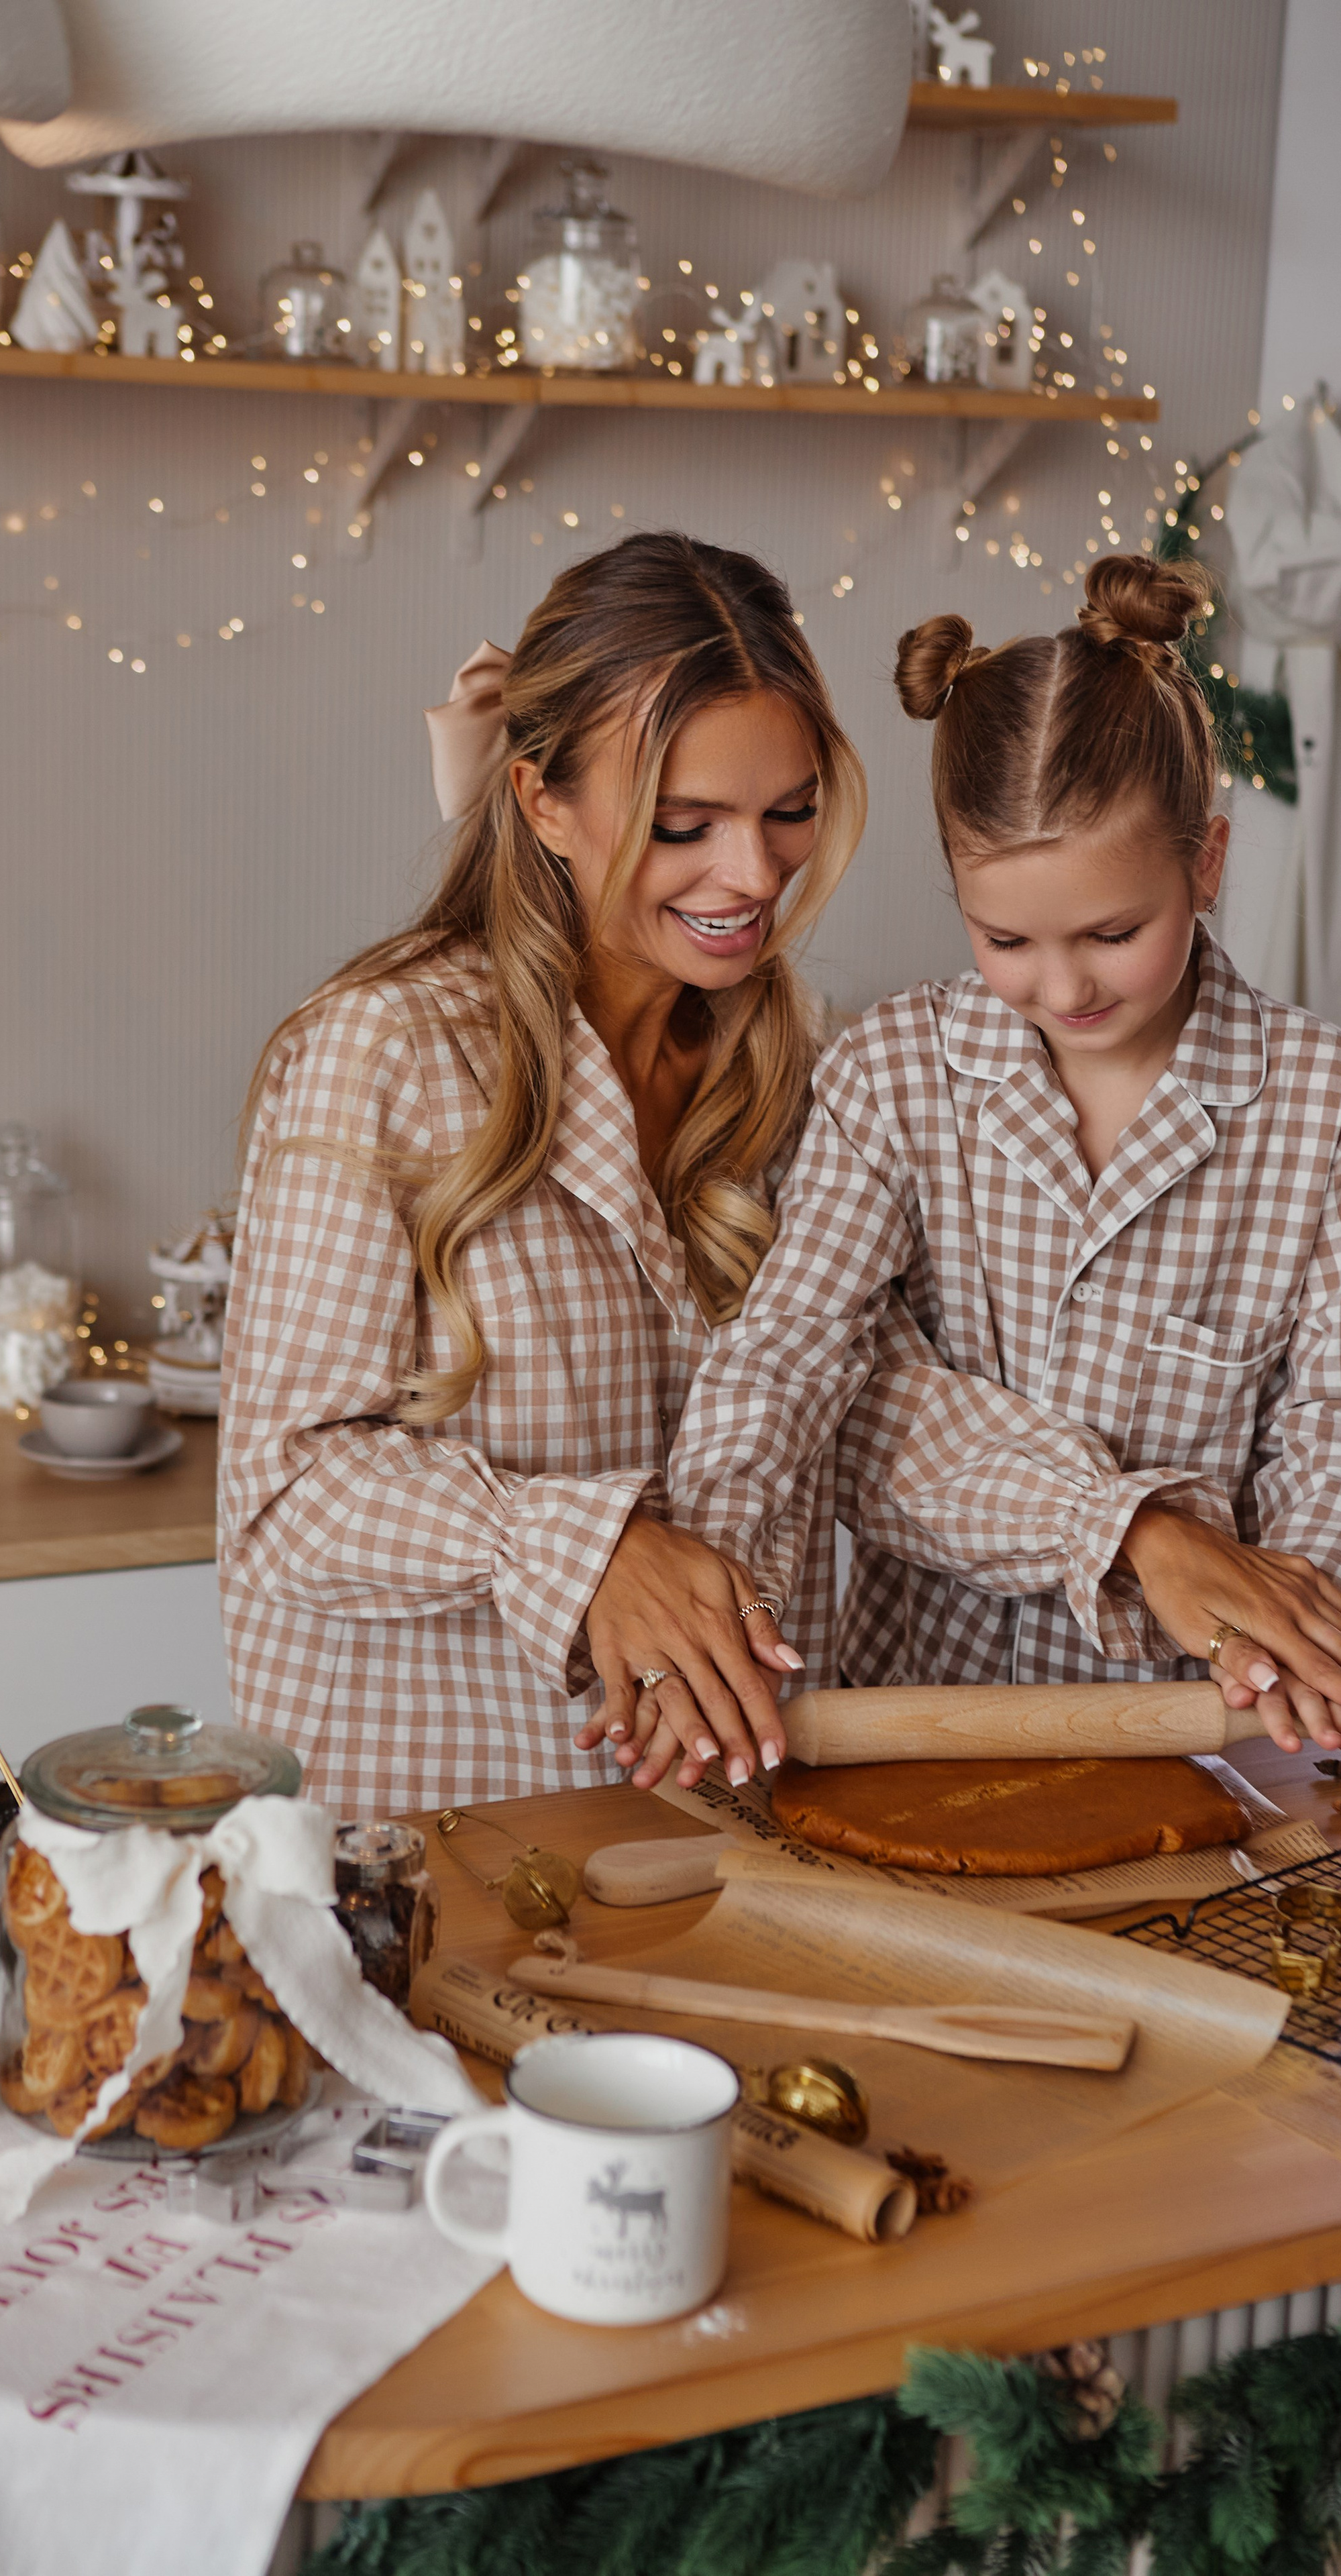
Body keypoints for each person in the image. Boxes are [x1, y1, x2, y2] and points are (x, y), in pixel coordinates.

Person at [625, 553, 1341, 1790]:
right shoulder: (893, 1073)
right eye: (1006, 939)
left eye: (1115, 935)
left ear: (1206, 862)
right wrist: (710, 1617)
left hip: (1194, 1752)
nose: (1064, 990)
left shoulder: (1334, 1110)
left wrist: (1289, 1626)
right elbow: (790, 1363)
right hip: (904, 1739)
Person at [218, 531, 864, 1813]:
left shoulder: (796, 1066)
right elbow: (286, 1495)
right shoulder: (385, 1051)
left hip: (733, 1827)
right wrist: (586, 1548)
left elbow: (843, 1410)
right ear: (541, 801)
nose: (753, 877)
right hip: (439, 1845)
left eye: (788, 811)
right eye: (686, 825)